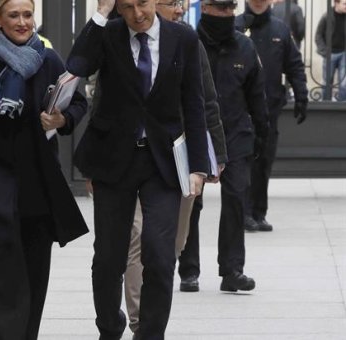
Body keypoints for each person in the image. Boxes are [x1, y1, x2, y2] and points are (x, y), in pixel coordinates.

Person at [0, 0, 89, 338]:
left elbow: (79, 102)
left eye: (27, 15)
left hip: (39, 176)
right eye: (13, 15)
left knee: (36, 261)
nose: (22, 22)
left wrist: (62, 118)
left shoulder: (48, 58)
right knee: (5, 253)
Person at [67, 0, 210, 337]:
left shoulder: (183, 39)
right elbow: (77, 64)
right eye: (127, 6)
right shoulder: (108, 33)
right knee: (108, 258)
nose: (137, 14)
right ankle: (109, 326)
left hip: (162, 163)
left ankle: (150, 333)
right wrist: (101, 13)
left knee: (160, 257)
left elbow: (194, 101)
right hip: (113, 160)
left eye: (143, 3)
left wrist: (199, 166)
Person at [120, 0, 228, 334]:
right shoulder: (119, 40)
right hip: (133, 158)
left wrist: (216, 156)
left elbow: (206, 101)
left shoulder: (185, 41)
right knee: (138, 239)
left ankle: (151, 316)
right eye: (170, 3)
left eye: (179, 4)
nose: (178, 10)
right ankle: (143, 325)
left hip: (178, 157)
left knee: (170, 246)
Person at [195, 0, 269, 293]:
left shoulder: (244, 47)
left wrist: (261, 133)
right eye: (219, 9)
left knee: (236, 198)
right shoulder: (189, 43)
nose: (226, 15)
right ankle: (189, 270)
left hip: (236, 133)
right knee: (192, 202)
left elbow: (257, 94)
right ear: (204, 9)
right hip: (197, 134)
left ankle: (232, 269)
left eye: (230, 10)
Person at [236, 0, 308, 232]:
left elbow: (294, 65)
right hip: (239, 110)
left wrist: (301, 95)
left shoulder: (280, 29)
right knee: (244, 162)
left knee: (264, 161)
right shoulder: (235, 27)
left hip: (269, 109)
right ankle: (244, 212)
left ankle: (259, 212)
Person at [315, 0, 346, 101]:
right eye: (344, 3)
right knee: (327, 82)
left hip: (344, 53)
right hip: (330, 53)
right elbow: (318, 35)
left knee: (344, 82)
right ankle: (325, 104)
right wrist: (324, 51)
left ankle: (342, 106)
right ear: (336, 3)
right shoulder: (327, 16)